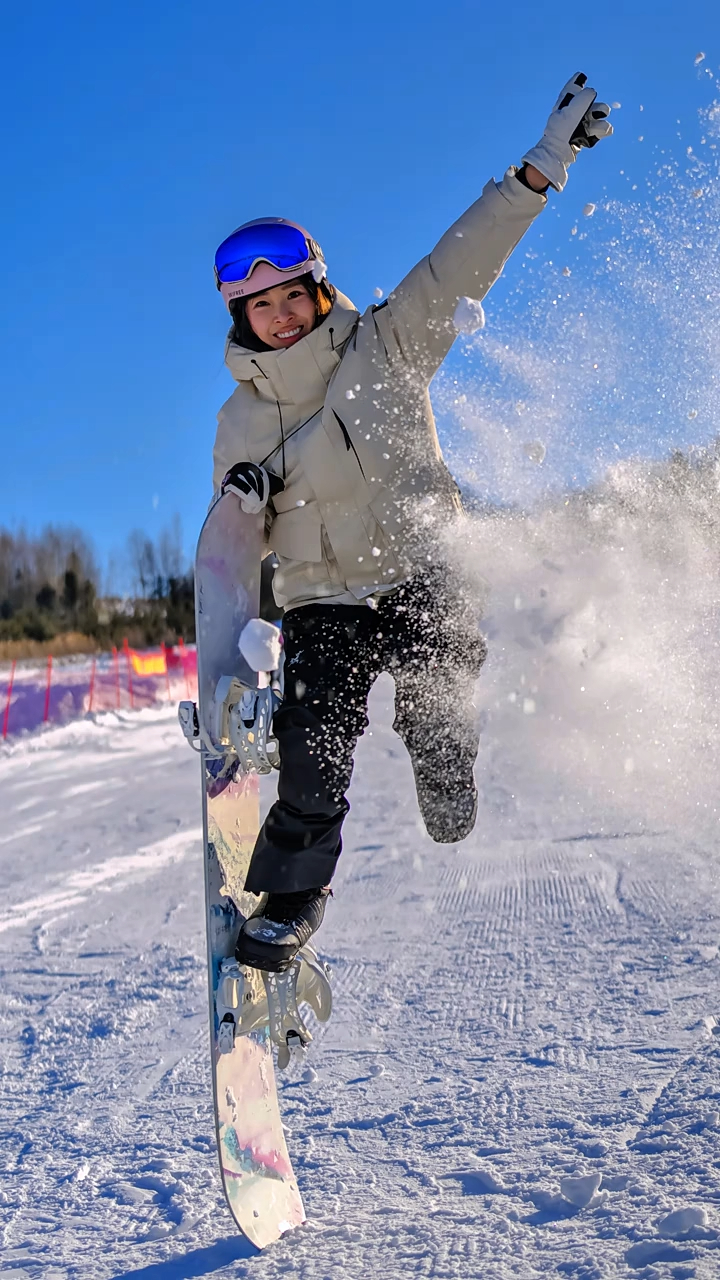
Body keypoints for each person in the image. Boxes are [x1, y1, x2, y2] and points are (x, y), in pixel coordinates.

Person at [211, 74, 612, 972]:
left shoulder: (387, 345)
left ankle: (444, 760)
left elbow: (462, 258)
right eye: (257, 305)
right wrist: (241, 500)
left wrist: (544, 165)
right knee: (314, 749)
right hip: (323, 601)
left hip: (418, 568)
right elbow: (237, 540)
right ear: (239, 316)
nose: (277, 317)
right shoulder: (239, 421)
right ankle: (292, 893)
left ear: (319, 291)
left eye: (291, 296)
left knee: (442, 671)